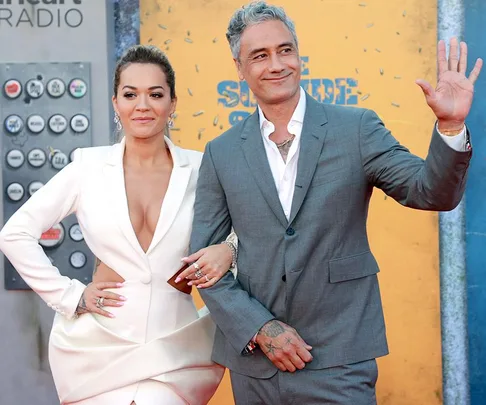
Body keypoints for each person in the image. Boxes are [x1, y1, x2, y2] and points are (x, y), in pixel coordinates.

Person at [187, 1, 483, 404]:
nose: (276, 64)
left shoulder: (355, 128)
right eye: (260, 55)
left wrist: (449, 126)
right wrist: (260, 328)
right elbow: (203, 262)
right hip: (256, 369)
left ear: (298, 54)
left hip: (340, 360)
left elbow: (430, 192)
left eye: (285, 50)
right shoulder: (221, 153)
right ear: (239, 68)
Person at [0, 45, 235, 405]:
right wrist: (71, 296)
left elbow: (252, 232)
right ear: (116, 103)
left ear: (172, 104)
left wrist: (228, 248)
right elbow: (14, 234)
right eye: (130, 94)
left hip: (174, 349)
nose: (142, 105)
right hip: (98, 351)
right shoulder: (88, 167)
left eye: (155, 94)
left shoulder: (203, 168)